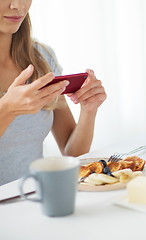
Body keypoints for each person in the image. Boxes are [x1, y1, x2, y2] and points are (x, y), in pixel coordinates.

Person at [0, 0, 107, 185]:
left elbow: (72, 153)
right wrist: (8, 110)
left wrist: (88, 111)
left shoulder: (41, 57)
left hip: (34, 199)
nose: (17, 5)